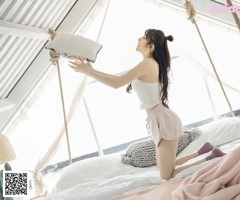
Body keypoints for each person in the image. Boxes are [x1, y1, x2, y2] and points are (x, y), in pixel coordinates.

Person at [68, 29, 225, 180]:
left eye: (143, 37)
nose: (139, 39)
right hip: (159, 120)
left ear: (151, 46)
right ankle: (202, 151)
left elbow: (116, 83)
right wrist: (91, 70)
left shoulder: (148, 64)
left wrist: (88, 72)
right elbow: (117, 78)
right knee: (162, 167)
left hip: (163, 121)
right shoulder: (147, 63)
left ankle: (210, 157)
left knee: (166, 175)